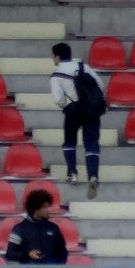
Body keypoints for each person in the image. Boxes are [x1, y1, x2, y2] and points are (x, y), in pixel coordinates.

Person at [49, 42, 106, 197]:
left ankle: (72, 173)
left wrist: (69, 106)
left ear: (57, 56)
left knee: (69, 142)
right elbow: (99, 85)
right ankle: (93, 175)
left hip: (73, 112)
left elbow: (58, 99)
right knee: (92, 143)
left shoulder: (57, 74)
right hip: (92, 111)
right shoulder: (83, 67)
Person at [4, 187, 69, 268]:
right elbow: (10, 254)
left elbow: (63, 251)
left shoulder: (53, 228)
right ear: (35, 208)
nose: (48, 210)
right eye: (44, 207)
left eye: (48, 206)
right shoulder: (20, 228)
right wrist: (27, 254)